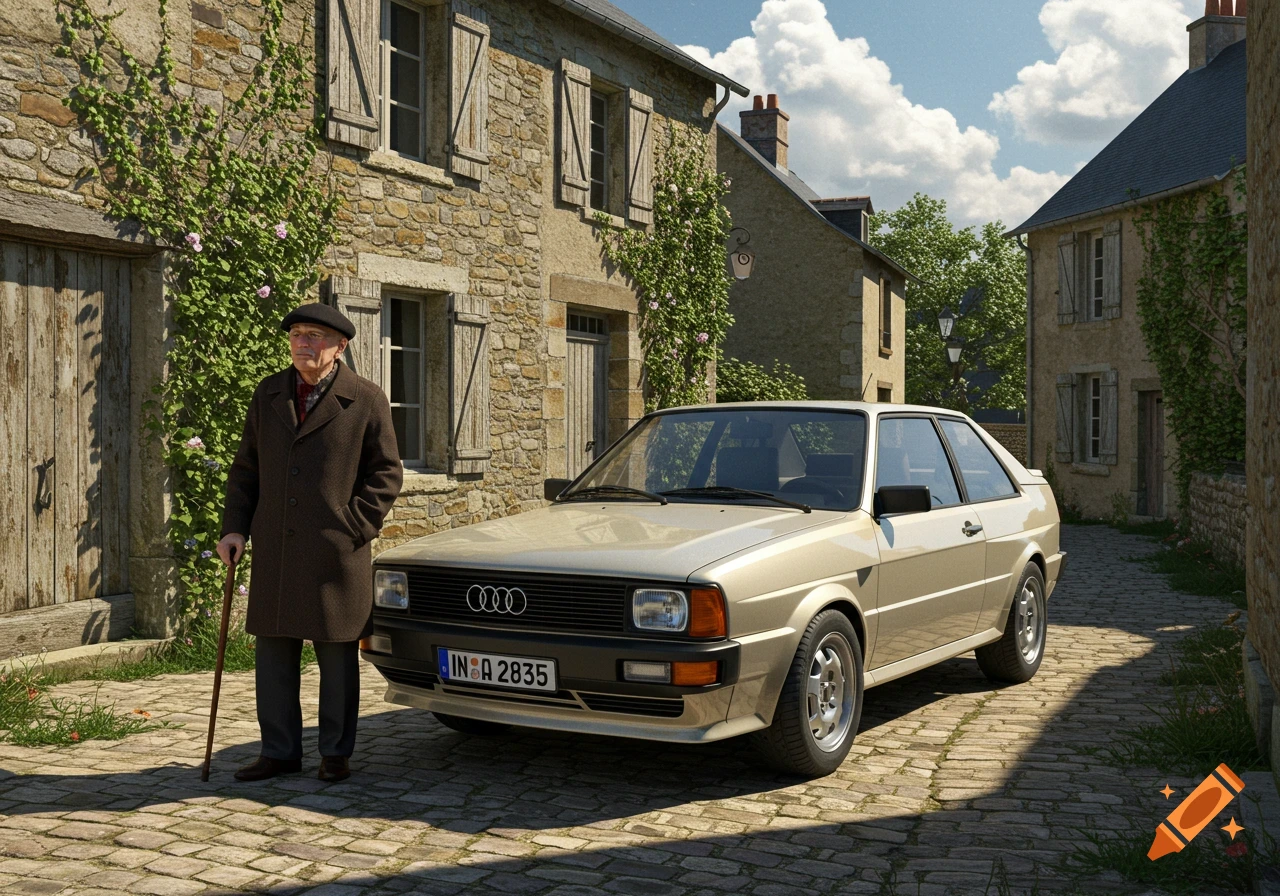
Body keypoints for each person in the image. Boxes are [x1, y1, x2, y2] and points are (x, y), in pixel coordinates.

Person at [217, 302, 402, 783]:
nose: (303, 342)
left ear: (340, 347)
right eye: (297, 333)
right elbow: (246, 469)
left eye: (314, 336)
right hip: (277, 548)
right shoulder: (269, 393)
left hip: (335, 551)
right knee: (274, 654)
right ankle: (279, 751)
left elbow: (386, 473)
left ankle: (335, 753)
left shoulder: (365, 398)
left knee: (336, 656)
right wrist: (234, 528)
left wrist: (353, 526)